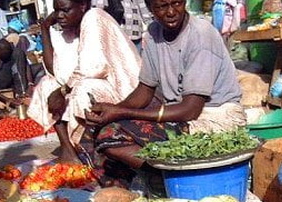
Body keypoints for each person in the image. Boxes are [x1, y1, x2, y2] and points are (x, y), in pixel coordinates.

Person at [84, 0, 245, 175]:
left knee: (112, 134)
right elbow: (145, 90)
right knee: (95, 130)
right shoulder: (154, 33)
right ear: (150, 8)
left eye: (176, 3)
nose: (171, 12)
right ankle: (155, 176)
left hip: (216, 117)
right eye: (161, 7)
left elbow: (190, 110)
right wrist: (111, 110)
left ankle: (166, 176)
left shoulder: (201, 35)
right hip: (181, 113)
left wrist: (121, 113)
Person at [27, 0, 141, 163]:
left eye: (65, 10)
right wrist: (45, 28)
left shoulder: (93, 17)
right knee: (48, 84)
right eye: (56, 11)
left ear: (82, 6)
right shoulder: (70, 32)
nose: (59, 16)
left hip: (127, 94)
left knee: (82, 90)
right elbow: (56, 72)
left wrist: (63, 91)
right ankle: (69, 150)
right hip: (98, 86)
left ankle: (93, 149)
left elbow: (93, 68)